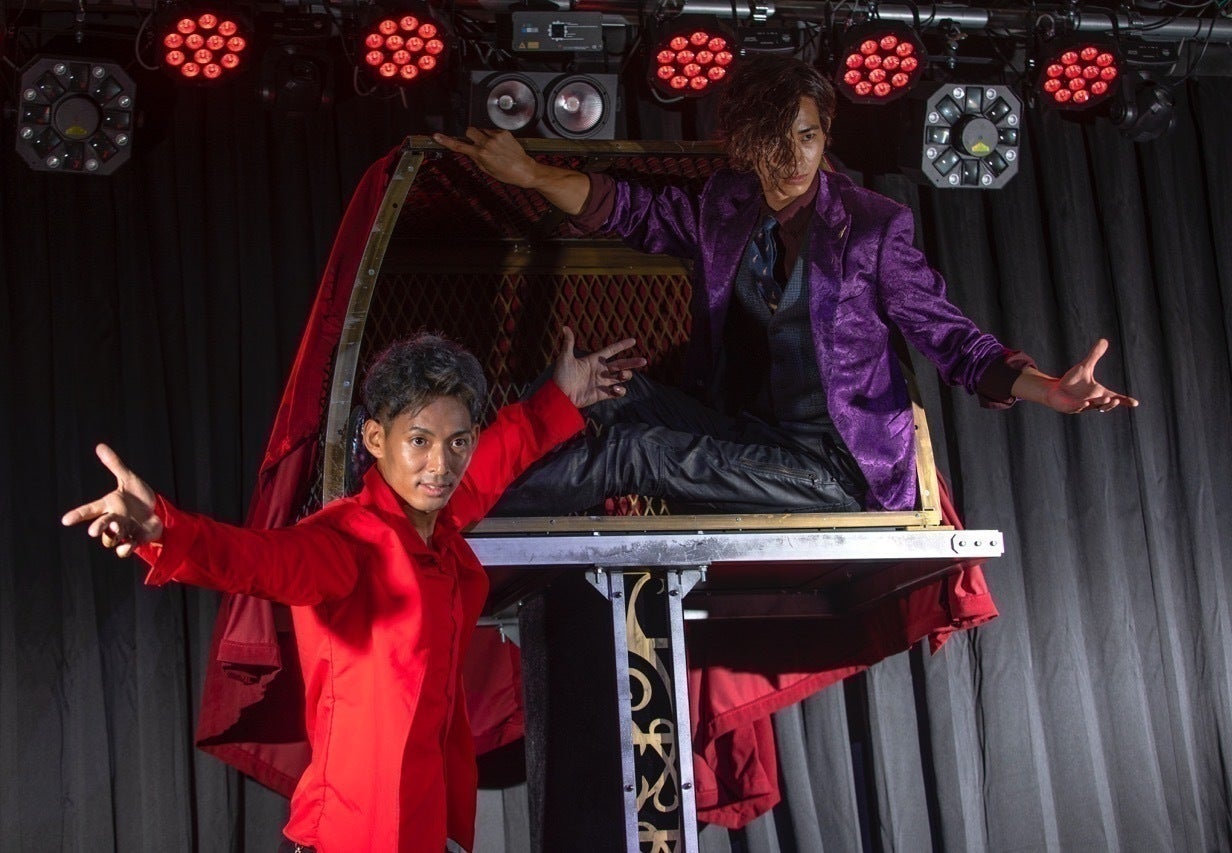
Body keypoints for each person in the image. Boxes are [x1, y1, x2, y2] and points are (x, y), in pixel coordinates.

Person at [433, 56, 1138, 517]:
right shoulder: (726, 206)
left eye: (807, 136)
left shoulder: (870, 229)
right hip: (750, 436)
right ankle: (463, 476)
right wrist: (529, 175)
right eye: (777, 143)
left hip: (837, 468)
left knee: (635, 452)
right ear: (746, 146)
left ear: (824, 132)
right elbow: (631, 210)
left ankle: (449, 513)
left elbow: (952, 339)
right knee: (604, 392)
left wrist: (1048, 388)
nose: (795, 159)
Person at [61, 329, 645, 853]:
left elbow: (496, 460)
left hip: (424, 829)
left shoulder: (438, 523)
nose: (441, 465)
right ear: (375, 437)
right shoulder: (344, 543)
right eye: (419, 441)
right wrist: (166, 530)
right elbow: (257, 560)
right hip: (352, 834)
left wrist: (560, 397)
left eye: (457, 442)